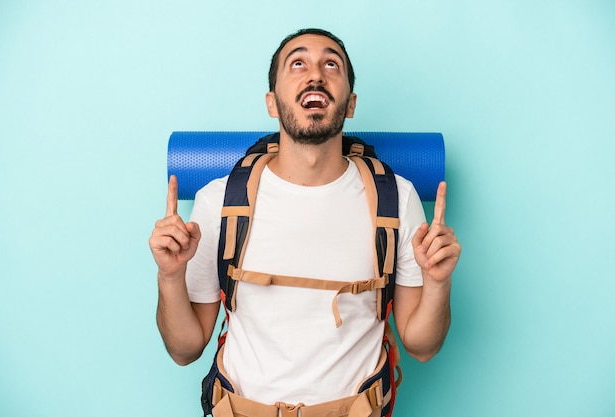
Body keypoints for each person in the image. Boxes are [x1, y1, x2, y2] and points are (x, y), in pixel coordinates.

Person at [149, 28, 461, 416]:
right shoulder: (219, 202)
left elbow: (422, 346)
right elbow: (185, 349)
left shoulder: (396, 199)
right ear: (272, 103)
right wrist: (169, 277)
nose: (315, 74)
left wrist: (438, 282)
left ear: (350, 104)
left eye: (331, 64)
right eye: (297, 63)